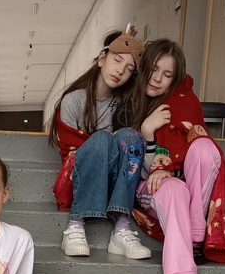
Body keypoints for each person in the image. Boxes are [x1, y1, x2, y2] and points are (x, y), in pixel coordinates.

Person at [128, 39, 225, 274]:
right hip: (147, 188)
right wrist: (148, 133)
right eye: (154, 69)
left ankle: (196, 236)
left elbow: (194, 161)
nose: (157, 79)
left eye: (167, 74)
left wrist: (170, 168)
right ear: (144, 67)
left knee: (205, 147)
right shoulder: (129, 102)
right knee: (172, 188)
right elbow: (135, 170)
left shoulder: (185, 101)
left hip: (184, 189)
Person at [49, 28, 151, 260]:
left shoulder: (125, 104)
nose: (120, 71)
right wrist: (104, 142)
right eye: (117, 60)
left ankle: (121, 227)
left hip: (114, 182)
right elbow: (71, 154)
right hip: (78, 179)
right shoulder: (74, 100)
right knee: (103, 138)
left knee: (131, 136)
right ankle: (76, 224)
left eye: (129, 69)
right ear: (102, 58)